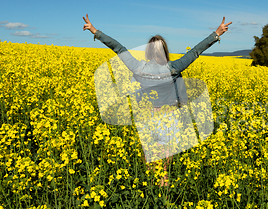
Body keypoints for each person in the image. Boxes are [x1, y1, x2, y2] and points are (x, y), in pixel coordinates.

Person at [83, 14, 232, 186]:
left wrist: (95, 31)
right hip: (169, 120)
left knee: (152, 165)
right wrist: (216, 34)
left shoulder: (138, 68)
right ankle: (164, 203)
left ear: (148, 51)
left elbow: (118, 48)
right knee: (165, 168)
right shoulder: (174, 68)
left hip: (146, 118)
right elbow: (195, 51)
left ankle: (153, 196)